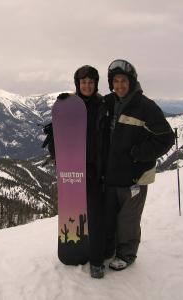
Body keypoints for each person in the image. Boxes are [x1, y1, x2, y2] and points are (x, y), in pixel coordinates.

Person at [103, 59, 175, 271]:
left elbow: (166, 138)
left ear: (132, 82)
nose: (119, 85)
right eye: (115, 81)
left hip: (135, 175)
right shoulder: (108, 102)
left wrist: (138, 155)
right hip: (113, 172)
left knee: (128, 218)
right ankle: (110, 248)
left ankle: (126, 254)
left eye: (123, 81)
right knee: (111, 215)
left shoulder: (146, 107)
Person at [42, 65, 109, 278]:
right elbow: (60, 135)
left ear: (96, 84)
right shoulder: (71, 106)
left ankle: (96, 260)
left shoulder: (104, 105)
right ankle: (77, 248)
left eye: (91, 82)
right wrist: (62, 107)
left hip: (96, 169)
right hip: (74, 169)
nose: (87, 85)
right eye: (83, 82)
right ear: (77, 84)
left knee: (96, 216)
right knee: (75, 212)